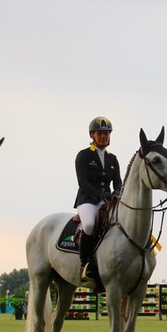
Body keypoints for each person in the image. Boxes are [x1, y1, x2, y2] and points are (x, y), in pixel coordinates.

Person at [73, 116, 122, 281]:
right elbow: (83, 182)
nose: (104, 137)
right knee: (88, 224)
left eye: (107, 133)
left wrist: (116, 193)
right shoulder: (84, 155)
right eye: (100, 133)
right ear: (92, 135)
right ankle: (84, 263)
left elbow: (118, 182)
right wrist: (100, 194)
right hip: (87, 200)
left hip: (107, 201)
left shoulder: (112, 159)